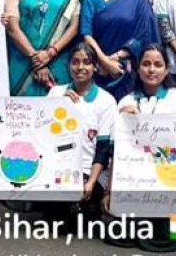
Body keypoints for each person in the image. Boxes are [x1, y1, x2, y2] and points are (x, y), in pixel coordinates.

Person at [102, 43, 176, 253]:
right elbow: (118, 151)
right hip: (134, 176)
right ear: (138, 67)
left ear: (167, 70)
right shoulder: (126, 101)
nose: (152, 70)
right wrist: (109, 191)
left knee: (160, 237)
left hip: (166, 175)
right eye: (146, 64)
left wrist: (141, 121)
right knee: (119, 234)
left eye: (158, 65)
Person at [80, 0, 161, 100]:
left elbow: (144, 35)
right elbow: (86, 33)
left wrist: (115, 58)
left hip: (127, 73)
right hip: (97, 70)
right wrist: (104, 61)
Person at [47, 43, 117, 223]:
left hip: (89, 172)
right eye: (75, 62)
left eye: (86, 62)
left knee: (80, 218)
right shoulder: (56, 93)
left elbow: (103, 148)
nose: (80, 67)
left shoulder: (106, 101)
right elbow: (41, 135)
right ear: (68, 65)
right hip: (58, 168)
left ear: (95, 67)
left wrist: (91, 182)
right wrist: (60, 106)